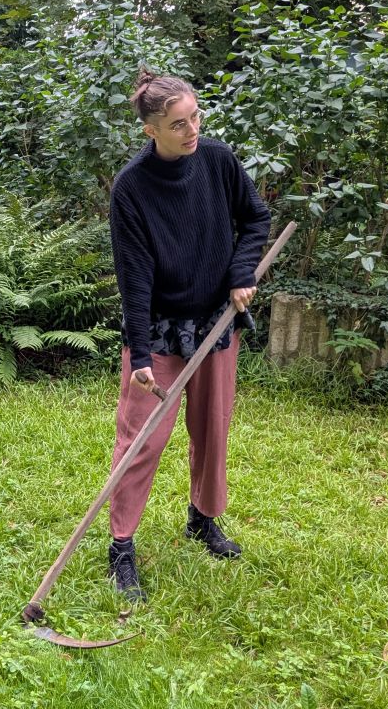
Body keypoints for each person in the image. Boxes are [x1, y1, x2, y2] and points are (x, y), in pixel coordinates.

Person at [106, 67, 271, 601]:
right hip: (159, 329)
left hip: (215, 323)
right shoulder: (132, 187)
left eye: (196, 117)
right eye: (179, 124)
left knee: (212, 429)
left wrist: (241, 272)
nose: (193, 130)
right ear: (151, 130)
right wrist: (139, 355)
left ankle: (203, 519)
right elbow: (134, 276)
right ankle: (121, 545)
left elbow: (256, 219)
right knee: (142, 439)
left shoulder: (218, 160)